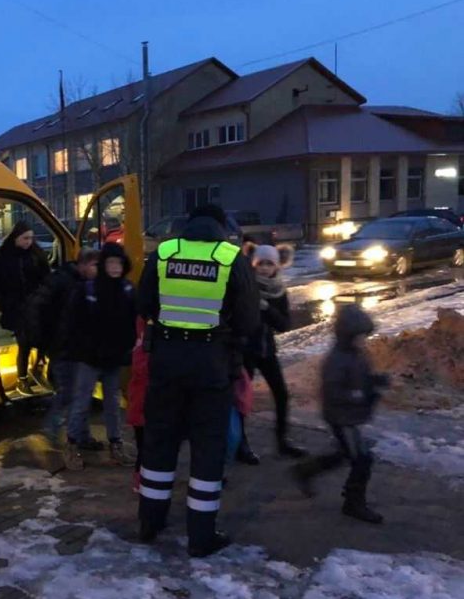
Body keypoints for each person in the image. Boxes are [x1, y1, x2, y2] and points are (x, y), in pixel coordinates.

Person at [136, 203, 259, 558]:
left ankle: (150, 523)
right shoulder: (230, 257)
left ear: (188, 225)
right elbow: (250, 320)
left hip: (166, 363)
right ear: (221, 226)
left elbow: (145, 304)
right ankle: (200, 536)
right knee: (208, 450)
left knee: (159, 443)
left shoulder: (164, 252)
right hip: (211, 366)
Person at [293, 304, 389, 523]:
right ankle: (353, 503)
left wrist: (375, 380)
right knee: (362, 459)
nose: (363, 340)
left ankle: (305, 471)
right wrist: (357, 395)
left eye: (364, 336)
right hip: (341, 416)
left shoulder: (356, 354)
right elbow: (333, 391)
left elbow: (361, 378)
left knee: (342, 454)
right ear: (347, 335)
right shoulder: (336, 359)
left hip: (350, 415)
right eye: (359, 336)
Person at [26, 249, 101, 469]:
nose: (99, 271)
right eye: (96, 266)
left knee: (82, 392)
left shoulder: (75, 282)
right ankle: (52, 428)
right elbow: (38, 309)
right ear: (84, 265)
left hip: (75, 347)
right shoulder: (64, 282)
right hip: (63, 347)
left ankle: (81, 435)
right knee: (69, 392)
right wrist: (43, 341)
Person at [66, 242, 137, 465]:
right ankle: (72, 446)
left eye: (118, 263)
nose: (115, 267)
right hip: (90, 356)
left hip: (113, 356)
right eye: (110, 263)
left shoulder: (127, 290)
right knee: (82, 401)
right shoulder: (88, 290)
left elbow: (132, 323)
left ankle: (115, 444)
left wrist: (127, 347)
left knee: (112, 404)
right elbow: (74, 322)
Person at [236, 244, 304, 464]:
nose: (264, 269)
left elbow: (284, 324)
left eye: (269, 264)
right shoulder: (246, 286)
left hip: (266, 349)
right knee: (241, 398)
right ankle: (241, 444)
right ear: (253, 264)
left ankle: (283, 441)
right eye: (260, 263)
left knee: (281, 394)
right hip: (245, 349)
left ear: (277, 265)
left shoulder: (279, 290)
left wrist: (265, 307)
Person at [0, 221, 50, 395]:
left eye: (30, 238)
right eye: (25, 238)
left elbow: (45, 276)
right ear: (15, 238)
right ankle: (22, 379)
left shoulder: (36, 254)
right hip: (16, 306)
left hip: (35, 304)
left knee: (42, 338)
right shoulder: (3, 257)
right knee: (24, 343)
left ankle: (37, 368)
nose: (28, 242)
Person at [127, 316, 150, 493]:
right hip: (145, 403)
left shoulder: (140, 347)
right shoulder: (144, 349)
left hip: (141, 402)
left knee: (145, 445)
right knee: (146, 446)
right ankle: (142, 479)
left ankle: (141, 478)